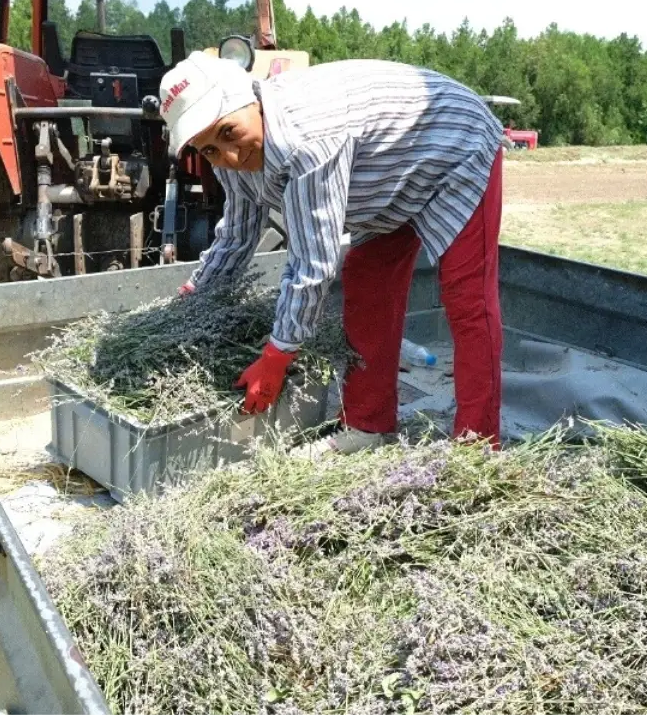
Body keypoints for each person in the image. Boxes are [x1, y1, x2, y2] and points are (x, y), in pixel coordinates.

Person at [160, 51, 505, 452]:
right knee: (366, 281)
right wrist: (193, 295)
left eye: (229, 133)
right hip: (386, 169)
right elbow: (236, 237)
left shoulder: (307, 140)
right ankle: (367, 424)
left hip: (453, 143)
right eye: (209, 150)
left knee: (467, 298)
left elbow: (312, 263)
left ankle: (477, 446)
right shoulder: (226, 158)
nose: (229, 157)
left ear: (250, 100)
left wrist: (278, 354)